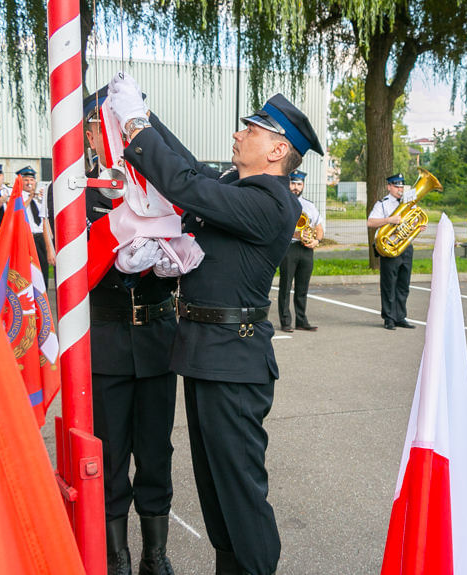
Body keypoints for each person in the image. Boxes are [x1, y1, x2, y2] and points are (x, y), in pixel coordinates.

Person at [107, 72, 323, 575]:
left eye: (251, 130)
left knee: (241, 493)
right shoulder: (235, 184)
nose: (238, 134)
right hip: (206, 352)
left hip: (234, 360)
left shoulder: (271, 202)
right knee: (216, 494)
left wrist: (136, 125)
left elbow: (183, 184)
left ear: (276, 151)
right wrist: (144, 114)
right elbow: (189, 169)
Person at [83, 87, 178, 575]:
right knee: (112, 450)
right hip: (109, 341)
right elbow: (74, 266)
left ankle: (154, 555)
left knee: (157, 450)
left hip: (159, 339)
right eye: (108, 126)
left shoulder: (163, 185)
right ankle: (116, 555)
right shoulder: (78, 189)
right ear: (95, 133)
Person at [367, 173, 416, 330]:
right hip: (389, 248)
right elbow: (370, 222)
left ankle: (400, 316)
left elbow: (414, 222)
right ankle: (389, 318)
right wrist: (389, 220)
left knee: (403, 284)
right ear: (389, 187)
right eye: (396, 186)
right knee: (389, 284)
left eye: (401, 186)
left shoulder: (410, 204)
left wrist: (418, 226)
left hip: (406, 247)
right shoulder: (382, 204)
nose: (400, 189)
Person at [277, 170, 323, 332]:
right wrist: (296, 234)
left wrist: (316, 240)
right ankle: (285, 322)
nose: (296, 187)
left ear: (303, 185)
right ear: (287, 184)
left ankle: (301, 321)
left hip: (306, 249)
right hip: (288, 248)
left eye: (299, 184)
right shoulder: (280, 203)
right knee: (285, 286)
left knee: (302, 287)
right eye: (293, 183)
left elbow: (319, 227)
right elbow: (277, 228)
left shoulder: (310, 206)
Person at [19, 166, 55, 288]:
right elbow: (19, 211)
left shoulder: (41, 196)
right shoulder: (19, 196)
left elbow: (47, 215)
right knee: (29, 268)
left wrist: (41, 198)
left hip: (41, 237)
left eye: (32, 180)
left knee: (43, 266)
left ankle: (43, 291)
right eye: (26, 180)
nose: (29, 183)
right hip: (27, 236)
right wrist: (30, 197)